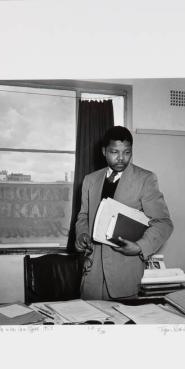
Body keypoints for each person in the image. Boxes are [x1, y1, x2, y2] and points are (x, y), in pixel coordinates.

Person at [75, 126, 173, 300]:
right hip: (92, 274)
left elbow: (163, 223)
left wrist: (140, 247)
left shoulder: (146, 179)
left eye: (127, 152)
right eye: (114, 152)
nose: (121, 158)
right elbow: (84, 216)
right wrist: (82, 234)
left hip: (125, 275)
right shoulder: (90, 180)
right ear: (104, 151)